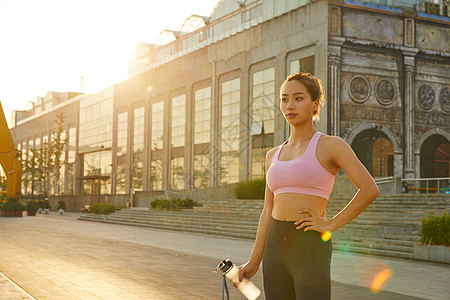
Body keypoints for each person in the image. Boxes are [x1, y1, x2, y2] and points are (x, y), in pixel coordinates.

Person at [237, 72, 380, 299]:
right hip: (275, 246)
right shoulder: (272, 154)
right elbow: (266, 211)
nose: (290, 105)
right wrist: (254, 261)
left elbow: (370, 189)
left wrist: (330, 225)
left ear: (315, 104)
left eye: (298, 98)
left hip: (309, 245)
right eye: (284, 99)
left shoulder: (331, 146)